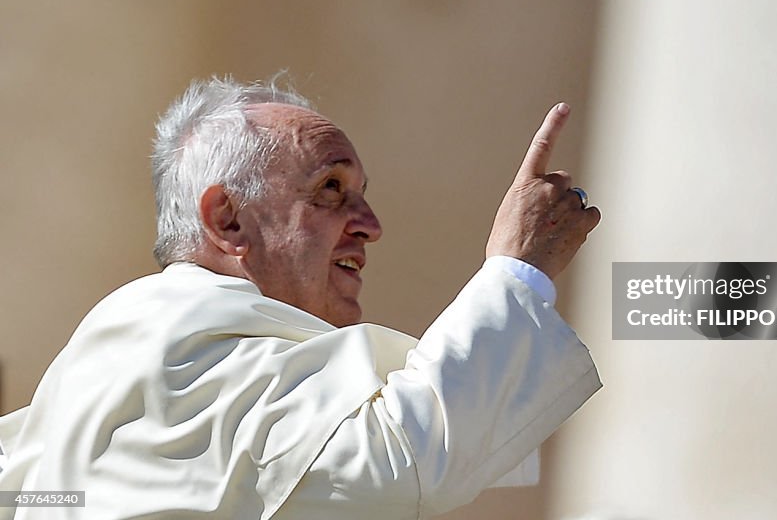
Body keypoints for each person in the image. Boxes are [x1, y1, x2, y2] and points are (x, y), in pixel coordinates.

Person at [0, 76, 602, 519]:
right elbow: (388, 467)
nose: (369, 223)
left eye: (362, 194)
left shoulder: (104, 368)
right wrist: (517, 271)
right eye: (331, 189)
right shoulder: (180, 345)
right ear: (228, 220)